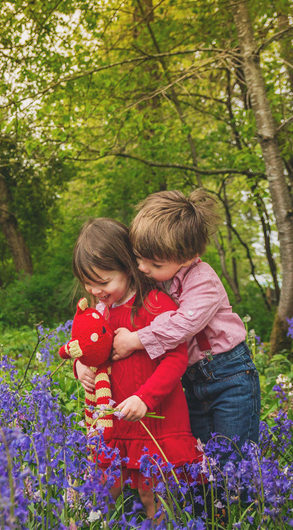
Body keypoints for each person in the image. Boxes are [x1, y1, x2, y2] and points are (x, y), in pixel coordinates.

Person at [112, 189, 261, 460]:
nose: (143, 268)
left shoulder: (203, 279)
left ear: (189, 256)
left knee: (233, 457)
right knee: (201, 457)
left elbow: (184, 324)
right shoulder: (157, 278)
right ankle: (209, 503)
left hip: (230, 376)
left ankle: (240, 503)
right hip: (190, 381)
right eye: (138, 258)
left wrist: (135, 340)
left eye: (154, 263)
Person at [71, 218, 202, 520]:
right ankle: (92, 524)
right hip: (115, 420)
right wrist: (81, 367)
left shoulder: (156, 305)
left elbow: (176, 359)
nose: (94, 290)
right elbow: (87, 351)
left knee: (152, 490)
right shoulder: (98, 314)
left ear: (128, 267)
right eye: (88, 283)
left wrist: (146, 398)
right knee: (105, 486)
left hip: (156, 418)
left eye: (103, 282)